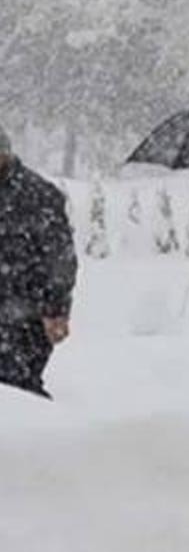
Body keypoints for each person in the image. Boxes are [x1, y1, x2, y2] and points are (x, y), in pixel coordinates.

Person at [0, 125, 78, 399]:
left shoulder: (39, 196)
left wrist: (56, 310)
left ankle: (39, 435)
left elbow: (60, 260)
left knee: (17, 388)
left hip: (26, 316)